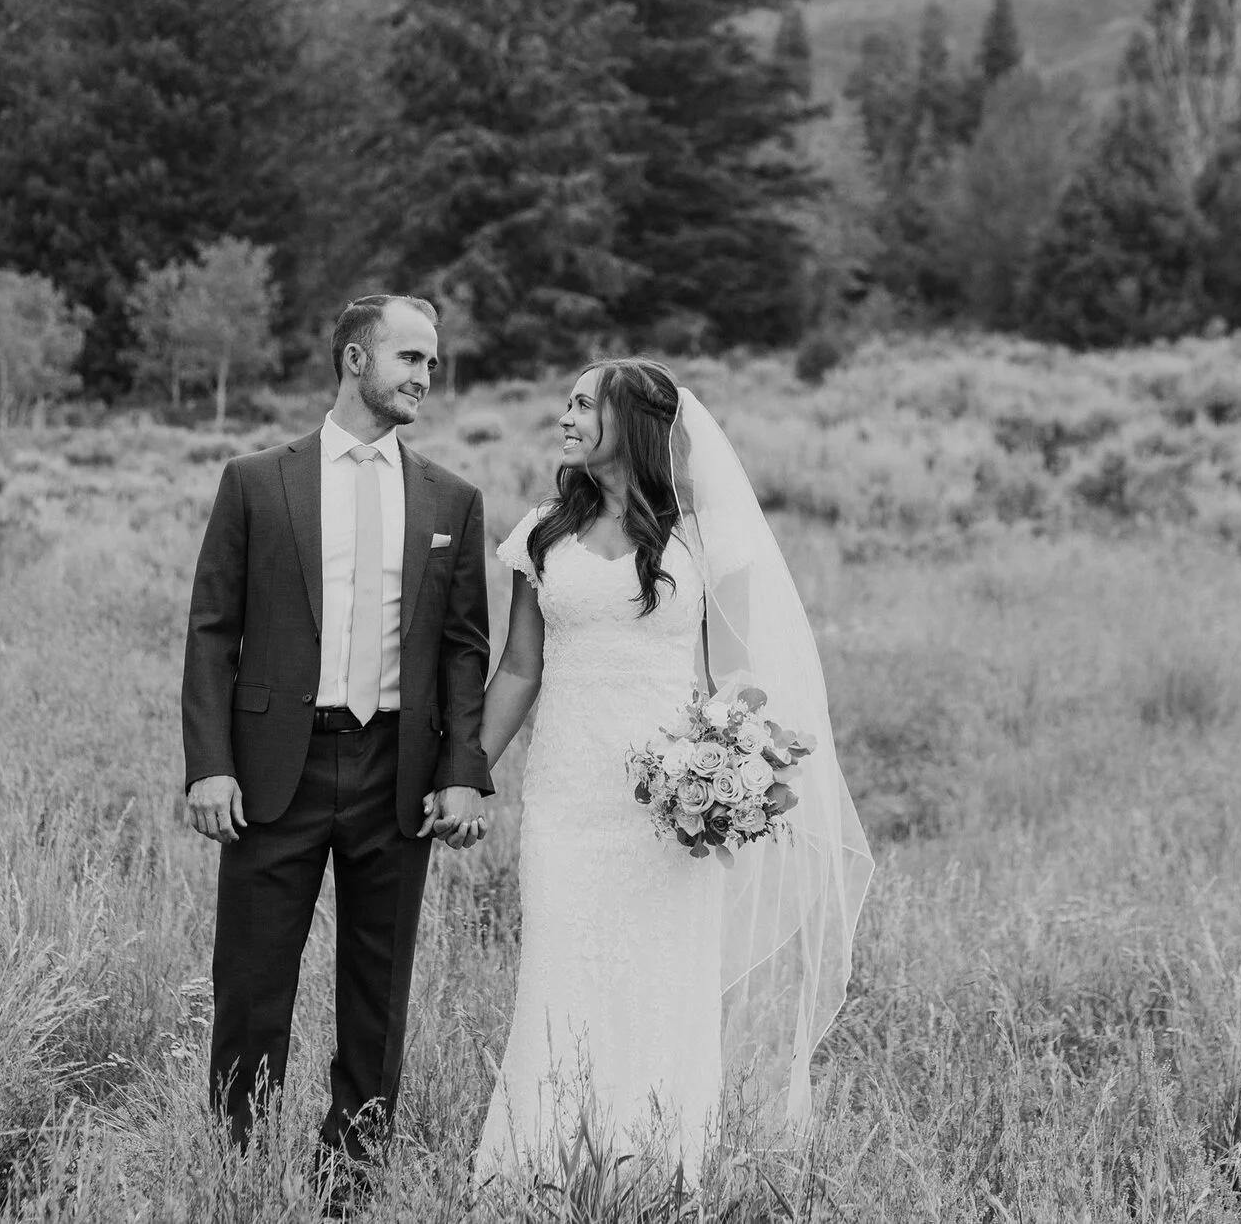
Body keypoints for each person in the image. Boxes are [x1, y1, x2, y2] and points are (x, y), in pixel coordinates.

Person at [473, 358, 871, 1183]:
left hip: (669, 808)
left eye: (584, 403)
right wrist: (468, 771)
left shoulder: (701, 541)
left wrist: (731, 772)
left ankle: (654, 1172)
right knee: (559, 972)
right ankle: (538, 1175)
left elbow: (740, 682)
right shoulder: (543, 531)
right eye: (567, 401)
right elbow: (519, 667)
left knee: (661, 983)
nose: (566, 416)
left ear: (636, 423)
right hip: (566, 795)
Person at [179, 293, 495, 1201]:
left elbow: (466, 648)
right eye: (409, 358)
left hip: (395, 772)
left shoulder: (453, 499)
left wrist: (462, 773)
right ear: (355, 360)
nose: (424, 378)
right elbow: (212, 630)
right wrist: (210, 762)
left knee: (376, 988)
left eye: (432, 363)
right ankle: (233, 1171)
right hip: (277, 766)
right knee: (251, 982)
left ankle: (350, 1181)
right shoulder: (255, 480)